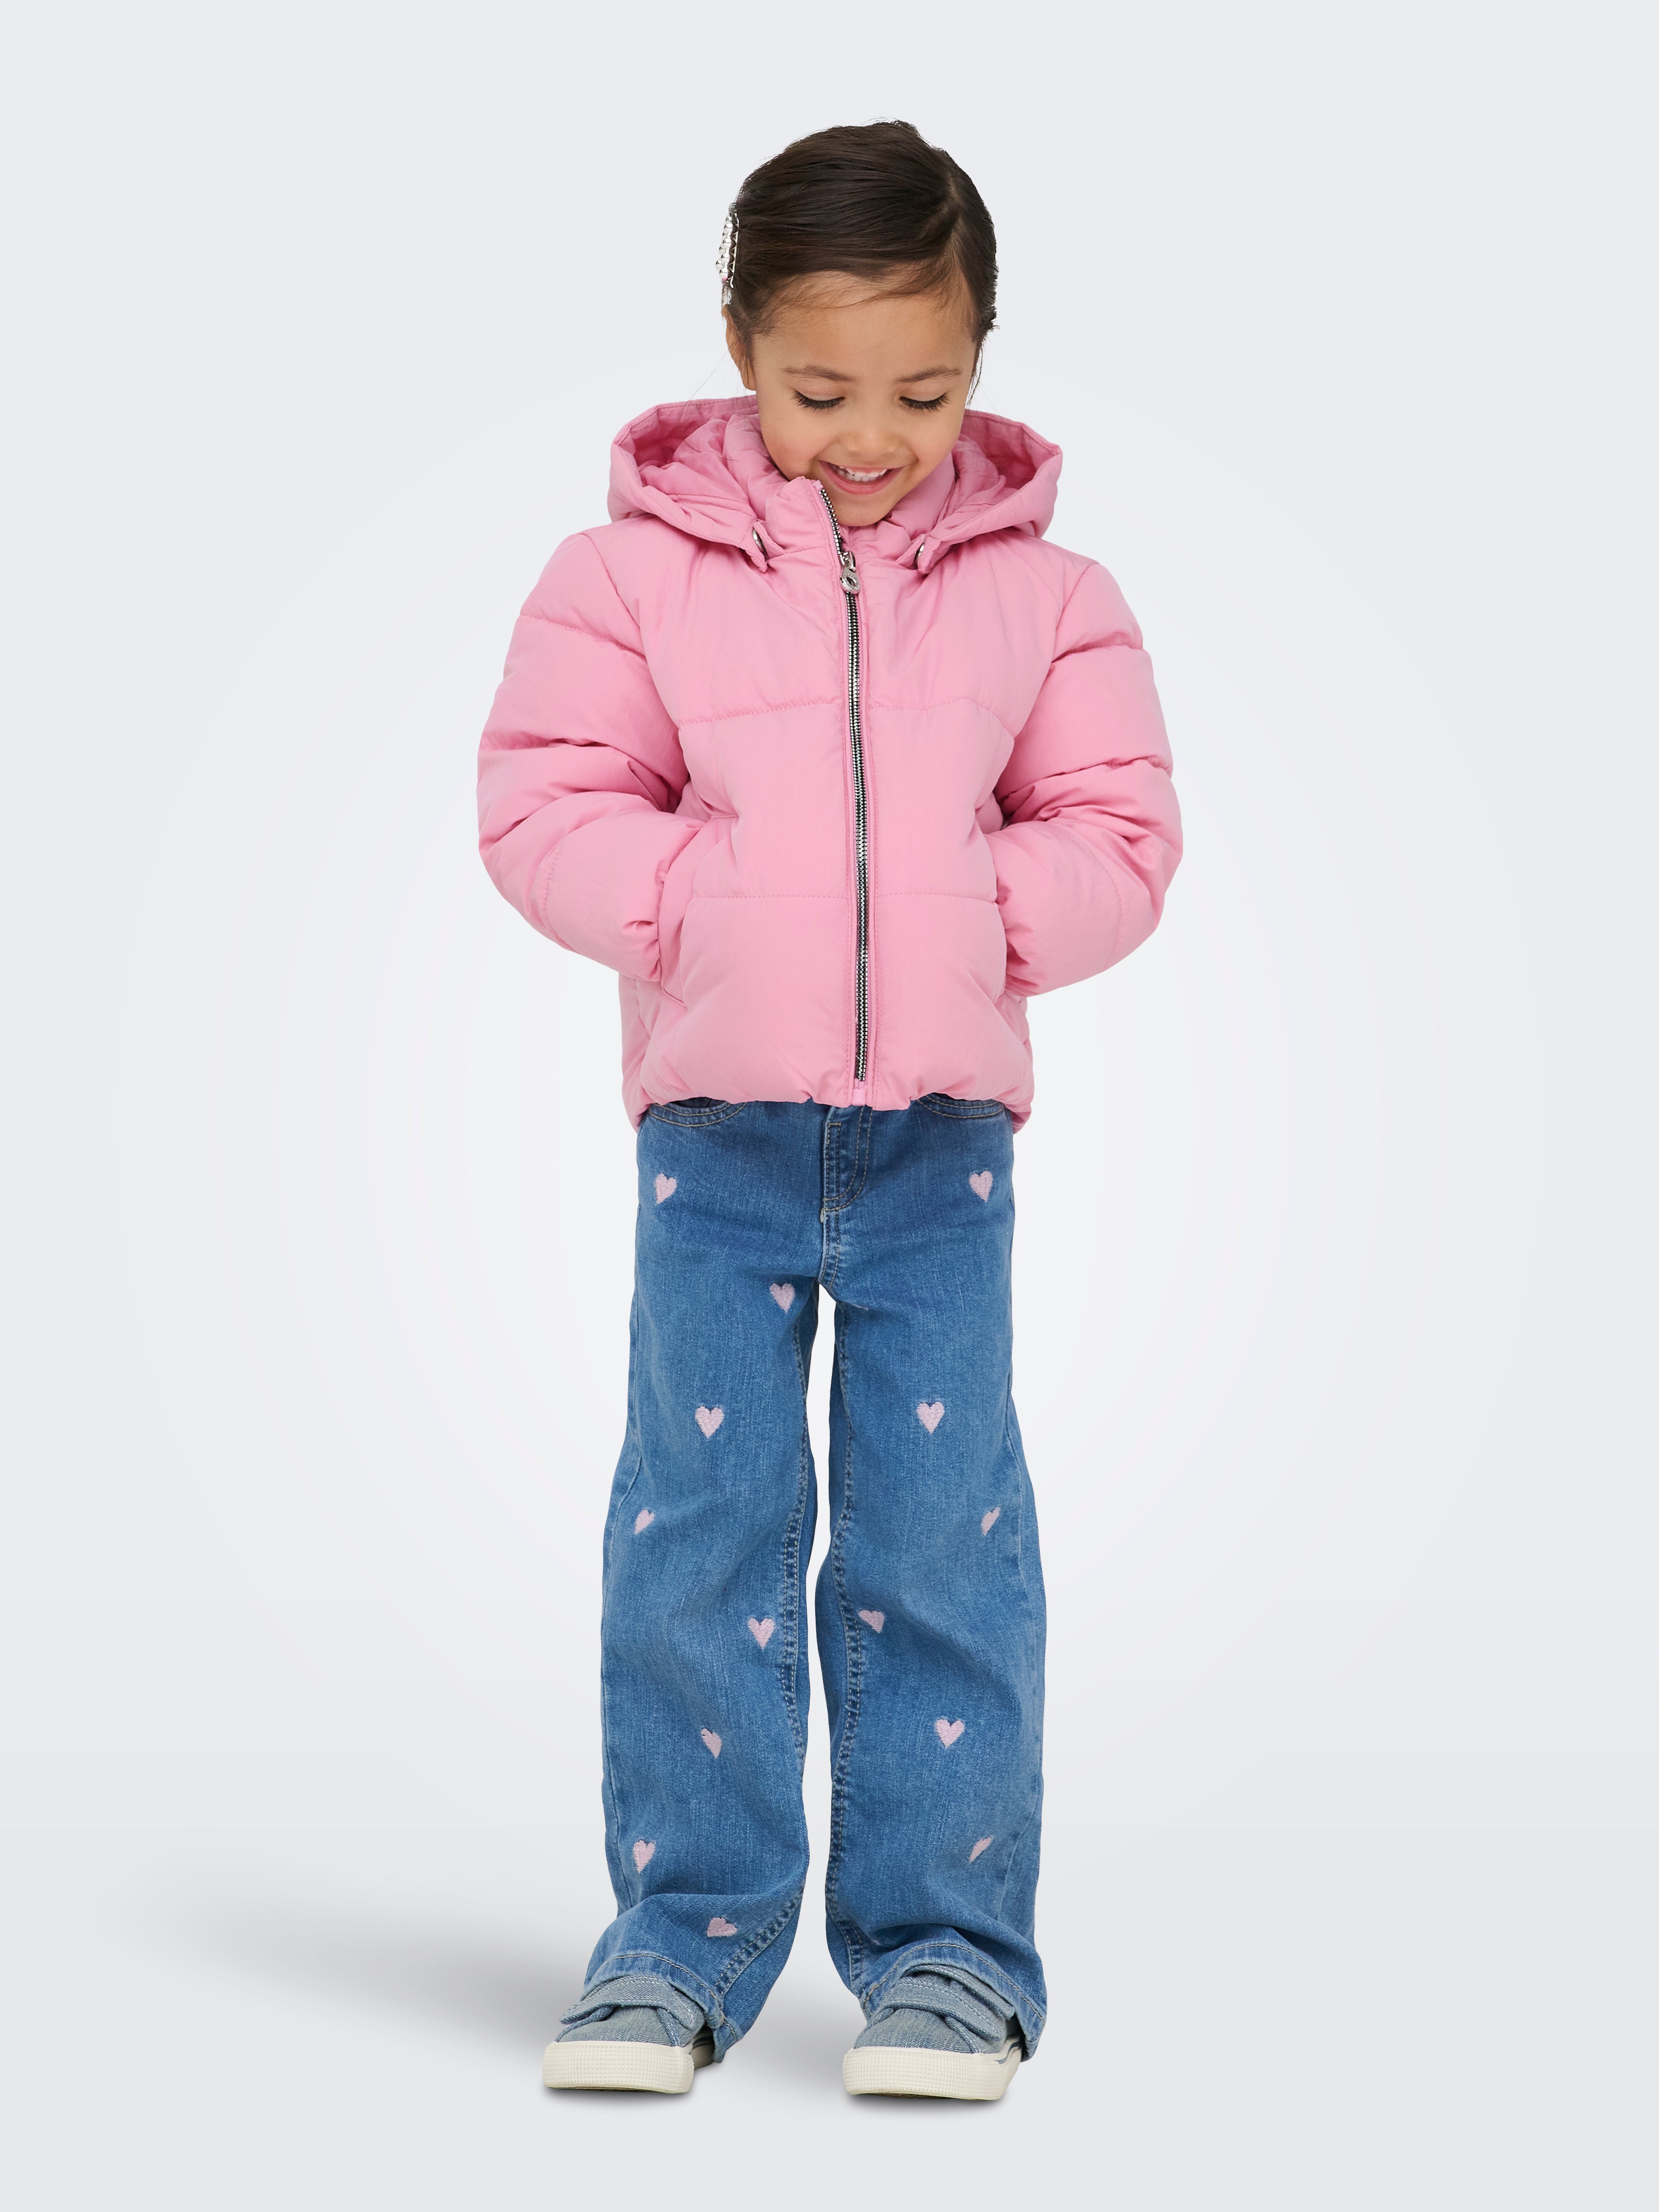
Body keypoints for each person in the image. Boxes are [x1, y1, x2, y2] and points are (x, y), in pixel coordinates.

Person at [477, 119, 1181, 2102]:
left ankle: (948, 1954)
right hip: (714, 1143)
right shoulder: (621, 577)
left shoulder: (1050, 597)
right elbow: (541, 802)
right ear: (736, 349)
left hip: (940, 1148)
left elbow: (1120, 833)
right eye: (817, 391)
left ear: (979, 363)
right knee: (697, 1529)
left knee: (938, 1537)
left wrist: (966, 914)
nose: (870, 436)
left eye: (923, 393)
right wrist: (705, 909)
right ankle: (675, 1939)